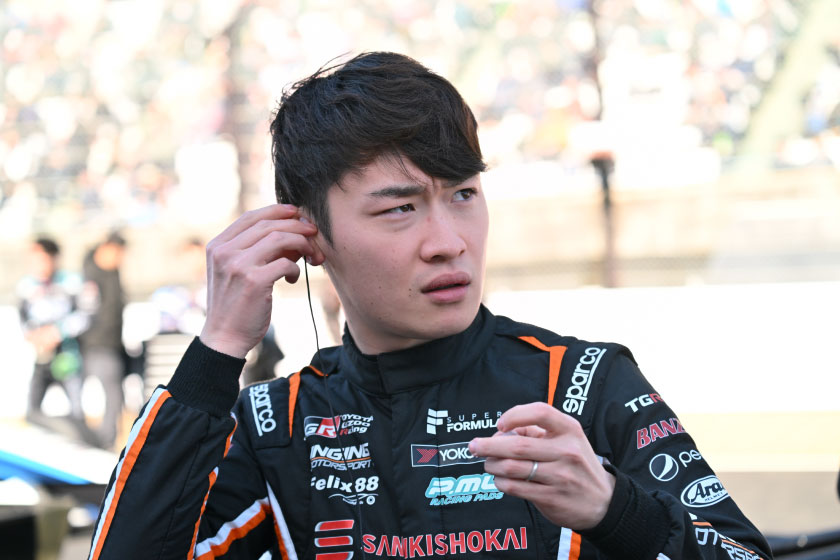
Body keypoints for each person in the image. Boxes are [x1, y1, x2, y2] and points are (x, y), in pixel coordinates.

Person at [88, 52, 772, 559]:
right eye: (401, 209)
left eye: (464, 194)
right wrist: (216, 352)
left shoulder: (585, 384)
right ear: (309, 235)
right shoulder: (277, 424)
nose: (449, 242)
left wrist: (616, 511)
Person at [17, 237, 92, 438]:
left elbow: (85, 315)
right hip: (41, 358)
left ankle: (83, 443)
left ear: (54, 258)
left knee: (76, 412)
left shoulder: (72, 282)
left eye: (42, 259)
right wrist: (35, 336)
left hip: (69, 357)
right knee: (32, 412)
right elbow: (23, 319)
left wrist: (57, 332)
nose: (38, 265)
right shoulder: (26, 286)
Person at [80, 231, 128, 449]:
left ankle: (105, 440)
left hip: (111, 344)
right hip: (95, 345)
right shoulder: (90, 276)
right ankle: (102, 441)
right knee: (108, 394)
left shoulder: (111, 273)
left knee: (113, 394)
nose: (119, 258)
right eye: (116, 252)